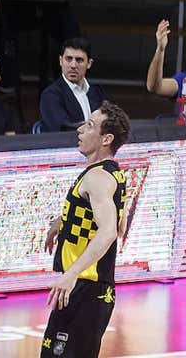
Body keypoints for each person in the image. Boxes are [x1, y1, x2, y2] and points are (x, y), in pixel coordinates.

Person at [40, 103, 130, 358]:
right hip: (88, 289)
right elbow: (118, 222)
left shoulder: (98, 178)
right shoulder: (110, 173)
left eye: (90, 125)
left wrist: (72, 274)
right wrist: (63, 221)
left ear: (106, 139)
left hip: (85, 289)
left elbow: (110, 231)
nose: (80, 129)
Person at [40, 38, 108, 133]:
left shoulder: (97, 92)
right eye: (68, 59)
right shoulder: (50, 95)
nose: (73, 65)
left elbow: (111, 123)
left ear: (89, 63)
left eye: (79, 60)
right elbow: (62, 130)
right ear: (61, 61)